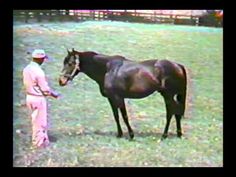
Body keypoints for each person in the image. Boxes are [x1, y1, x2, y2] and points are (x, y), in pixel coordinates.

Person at [23, 49, 60, 148]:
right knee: (40, 122)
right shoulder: (39, 72)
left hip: (29, 96)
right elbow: (45, 89)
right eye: (43, 59)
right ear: (40, 59)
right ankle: (39, 144)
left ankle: (41, 140)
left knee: (34, 120)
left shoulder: (27, 69)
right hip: (38, 98)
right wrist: (54, 94)